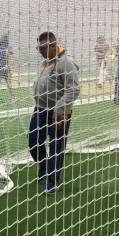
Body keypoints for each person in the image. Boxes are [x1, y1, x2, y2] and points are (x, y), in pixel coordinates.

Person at [29, 32, 80, 194]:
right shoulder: (46, 60)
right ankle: (44, 167)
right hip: (40, 109)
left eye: (42, 48)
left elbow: (74, 89)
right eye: (38, 48)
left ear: (53, 46)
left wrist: (59, 108)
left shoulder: (66, 62)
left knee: (55, 147)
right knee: (33, 141)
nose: (40, 51)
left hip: (59, 113)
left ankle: (53, 181)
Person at [0, 34, 14, 100]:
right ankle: (11, 97)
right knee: (9, 83)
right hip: (6, 68)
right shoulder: (8, 47)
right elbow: (10, 58)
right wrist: (8, 65)